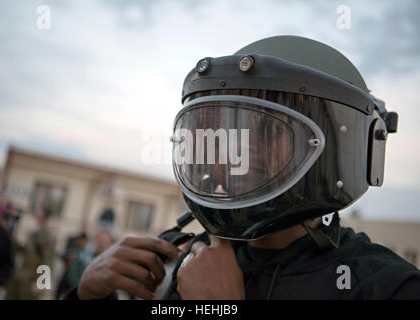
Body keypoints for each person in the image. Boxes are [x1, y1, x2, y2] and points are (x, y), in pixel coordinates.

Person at [66, 36, 420, 300]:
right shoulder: (193, 260)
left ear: (335, 146)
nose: (243, 147)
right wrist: (86, 296)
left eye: (270, 130)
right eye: (233, 130)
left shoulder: (389, 288)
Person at [5, 206, 56, 300]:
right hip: (20, 279)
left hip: (30, 282)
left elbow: (48, 261)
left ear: (44, 214)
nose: (36, 212)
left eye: (39, 210)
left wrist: (40, 284)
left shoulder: (47, 236)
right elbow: (27, 252)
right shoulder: (35, 233)